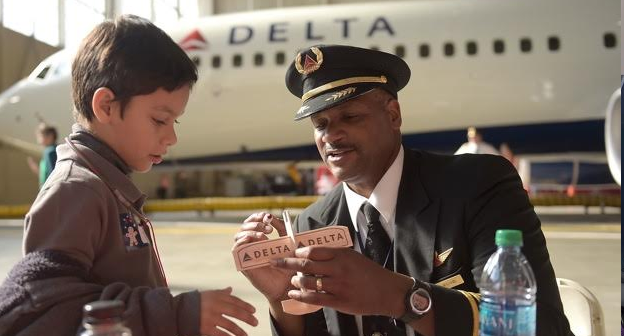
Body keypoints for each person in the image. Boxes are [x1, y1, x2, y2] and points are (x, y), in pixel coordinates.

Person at [233, 45, 573, 336]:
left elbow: (541, 326)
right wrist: (283, 301)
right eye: (320, 124)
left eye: (349, 117)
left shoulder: (478, 185)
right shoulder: (312, 224)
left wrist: (401, 297)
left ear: (393, 114)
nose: (331, 136)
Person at [0, 15, 257, 336]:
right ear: (106, 106)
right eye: (160, 119)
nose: (171, 138)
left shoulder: (109, 185)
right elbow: (43, 312)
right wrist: (177, 314)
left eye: (173, 123)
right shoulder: (77, 191)